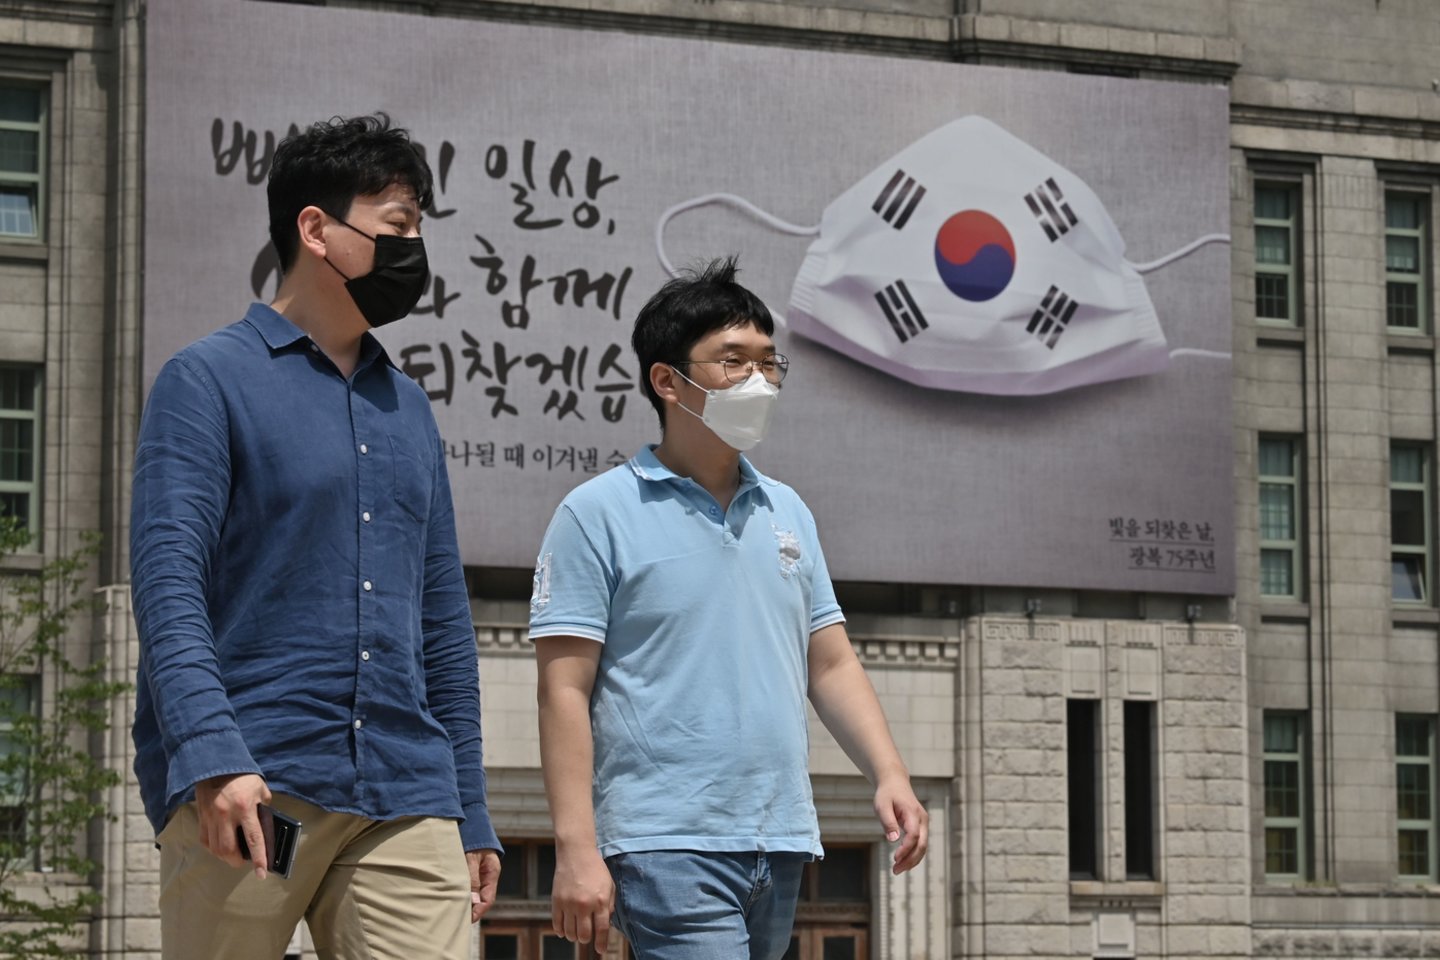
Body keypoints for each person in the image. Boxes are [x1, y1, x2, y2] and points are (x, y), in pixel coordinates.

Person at [130, 114, 501, 960]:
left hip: (406, 789)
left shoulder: (409, 408)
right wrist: (212, 754)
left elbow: (443, 621)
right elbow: (168, 581)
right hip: (254, 780)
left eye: (418, 230)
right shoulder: (205, 379)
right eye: (396, 226)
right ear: (315, 229)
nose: (413, 250)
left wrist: (469, 804)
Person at [530, 257, 928, 959]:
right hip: (664, 841)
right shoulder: (596, 513)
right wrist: (575, 847)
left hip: (780, 838)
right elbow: (563, 688)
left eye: (770, 363)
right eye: (733, 360)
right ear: (667, 381)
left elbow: (830, 663)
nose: (758, 380)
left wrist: (889, 772)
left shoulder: (787, 510)